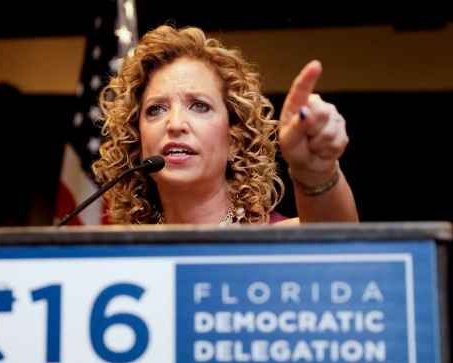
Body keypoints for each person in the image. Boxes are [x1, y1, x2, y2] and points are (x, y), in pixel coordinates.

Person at [91, 23, 359, 227]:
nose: (175, 124)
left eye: (199, 106)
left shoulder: (275, 240)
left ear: (235, 140)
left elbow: (341, 249)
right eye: (156, 109)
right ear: (136, 142)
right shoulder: (122, 257)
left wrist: (315, 170)